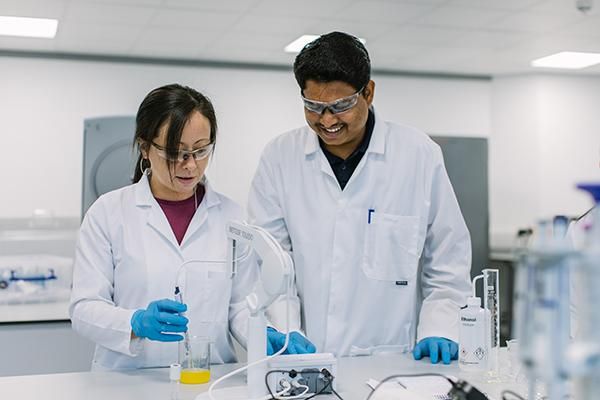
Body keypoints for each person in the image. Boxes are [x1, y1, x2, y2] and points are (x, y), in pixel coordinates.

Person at [248, 32, 472, 364]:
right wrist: (285, 327)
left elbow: (447, 258)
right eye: (313, 106)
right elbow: (271, 260)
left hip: (390, 358)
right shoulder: (280, 157)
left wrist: (441, 325)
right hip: (306, 356)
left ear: (368, 92)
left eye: (340, 106)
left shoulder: (418, 155)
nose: (326, 120)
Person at [70, 84, 261, 369]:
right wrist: (134, 323)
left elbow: (241, 306)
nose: (191, 166)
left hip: (209, 381)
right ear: (145, 148)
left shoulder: (231, 217)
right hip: (127, 383)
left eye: (201, 151)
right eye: (176, 153)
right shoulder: (108, 213)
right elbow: (83, 308)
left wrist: (264, 335)